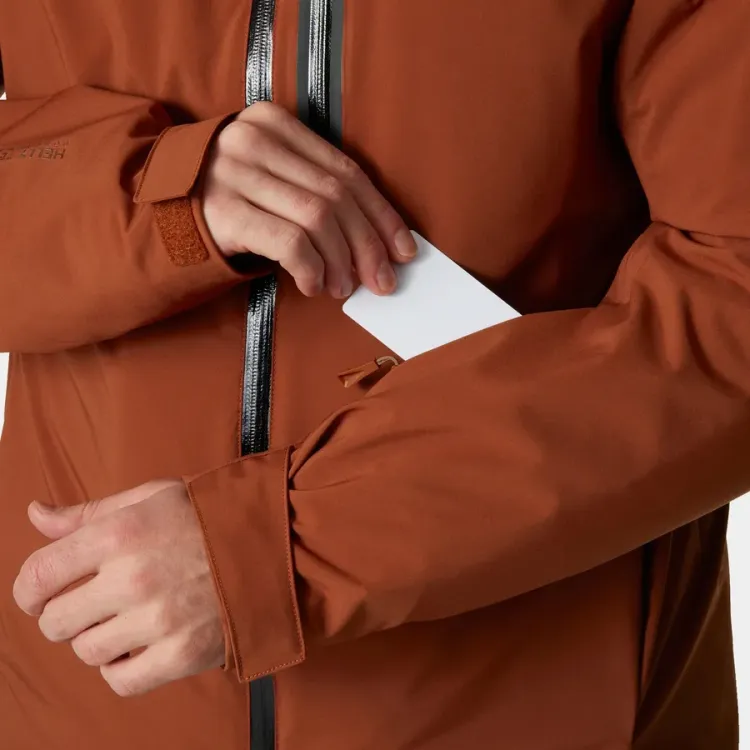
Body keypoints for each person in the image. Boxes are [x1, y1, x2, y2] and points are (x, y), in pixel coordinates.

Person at [0, 0, 747, 747]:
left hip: (539, 696)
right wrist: (150, 197)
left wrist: (273, 549)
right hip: (86, 692)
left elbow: (732, 307)